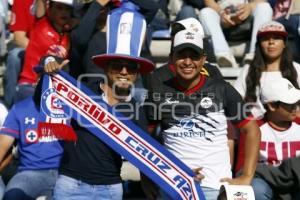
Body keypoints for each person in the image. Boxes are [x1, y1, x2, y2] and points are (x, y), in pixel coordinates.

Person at [42, 6, 155, 200]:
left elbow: (147, 156)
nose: (124, 72)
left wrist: (180, 175)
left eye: (131, 68)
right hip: (71, 186)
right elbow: (44, 96)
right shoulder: (82, 91)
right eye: (118, 65)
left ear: (137, 74)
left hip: (110, 190)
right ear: (105, 68)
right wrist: (49, 68)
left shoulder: (136, 110)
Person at [143, 29, 260, 200]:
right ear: (171, 58)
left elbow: (253, 131)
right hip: (173, 186)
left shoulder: (222, 89)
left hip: (215, 188)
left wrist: (247, 176)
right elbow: (144, 140)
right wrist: (147, 178)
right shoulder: (158, 92)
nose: (188, 62)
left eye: (194, 56)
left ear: (204, 59)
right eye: (182, 55)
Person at [0, 70, 69, 200]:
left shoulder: (70, 109)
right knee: (11, 196)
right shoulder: (20, 108)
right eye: (41, 77)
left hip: (65, 173)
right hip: (30, 172)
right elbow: (2, 147)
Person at [236, 77, 300, 200]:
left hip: (295, 184)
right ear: (271, 105)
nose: (295, 107)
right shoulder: (252, 129)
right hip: (264, 182)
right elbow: (241, 169)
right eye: (289, 103)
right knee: (256, 189)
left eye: (296, 102)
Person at [234, 20, 300, 119]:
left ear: (284, 43)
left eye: (277, 38)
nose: (271, 42)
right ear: (259, 44)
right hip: (256, 125)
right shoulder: (248, 70)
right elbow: (236, 100)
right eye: (265, 39)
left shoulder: (297, 68)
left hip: (291, 126)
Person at [14, 0, 73, 103]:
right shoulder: (40, 23)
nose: (64, 12)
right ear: (49, 9)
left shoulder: (68, 35)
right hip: (30, 85)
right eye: (59, 8)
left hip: (52, 88)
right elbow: (40, 9)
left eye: (67, 9)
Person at [199, 0, 273, 67]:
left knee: (264, 7)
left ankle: (255, 55)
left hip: (247, 18)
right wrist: (221, 13)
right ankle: (224, 57)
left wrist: (249, 7)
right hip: (222, 19)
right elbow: (208, 1)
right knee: (205, 12)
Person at [4, 0, 36, 108]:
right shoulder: (22, 1)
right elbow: (19, 38)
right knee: (14, 56)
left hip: (57, 49)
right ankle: (9, 108)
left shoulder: (61, 4)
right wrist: (39, 53)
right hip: (31, 49)